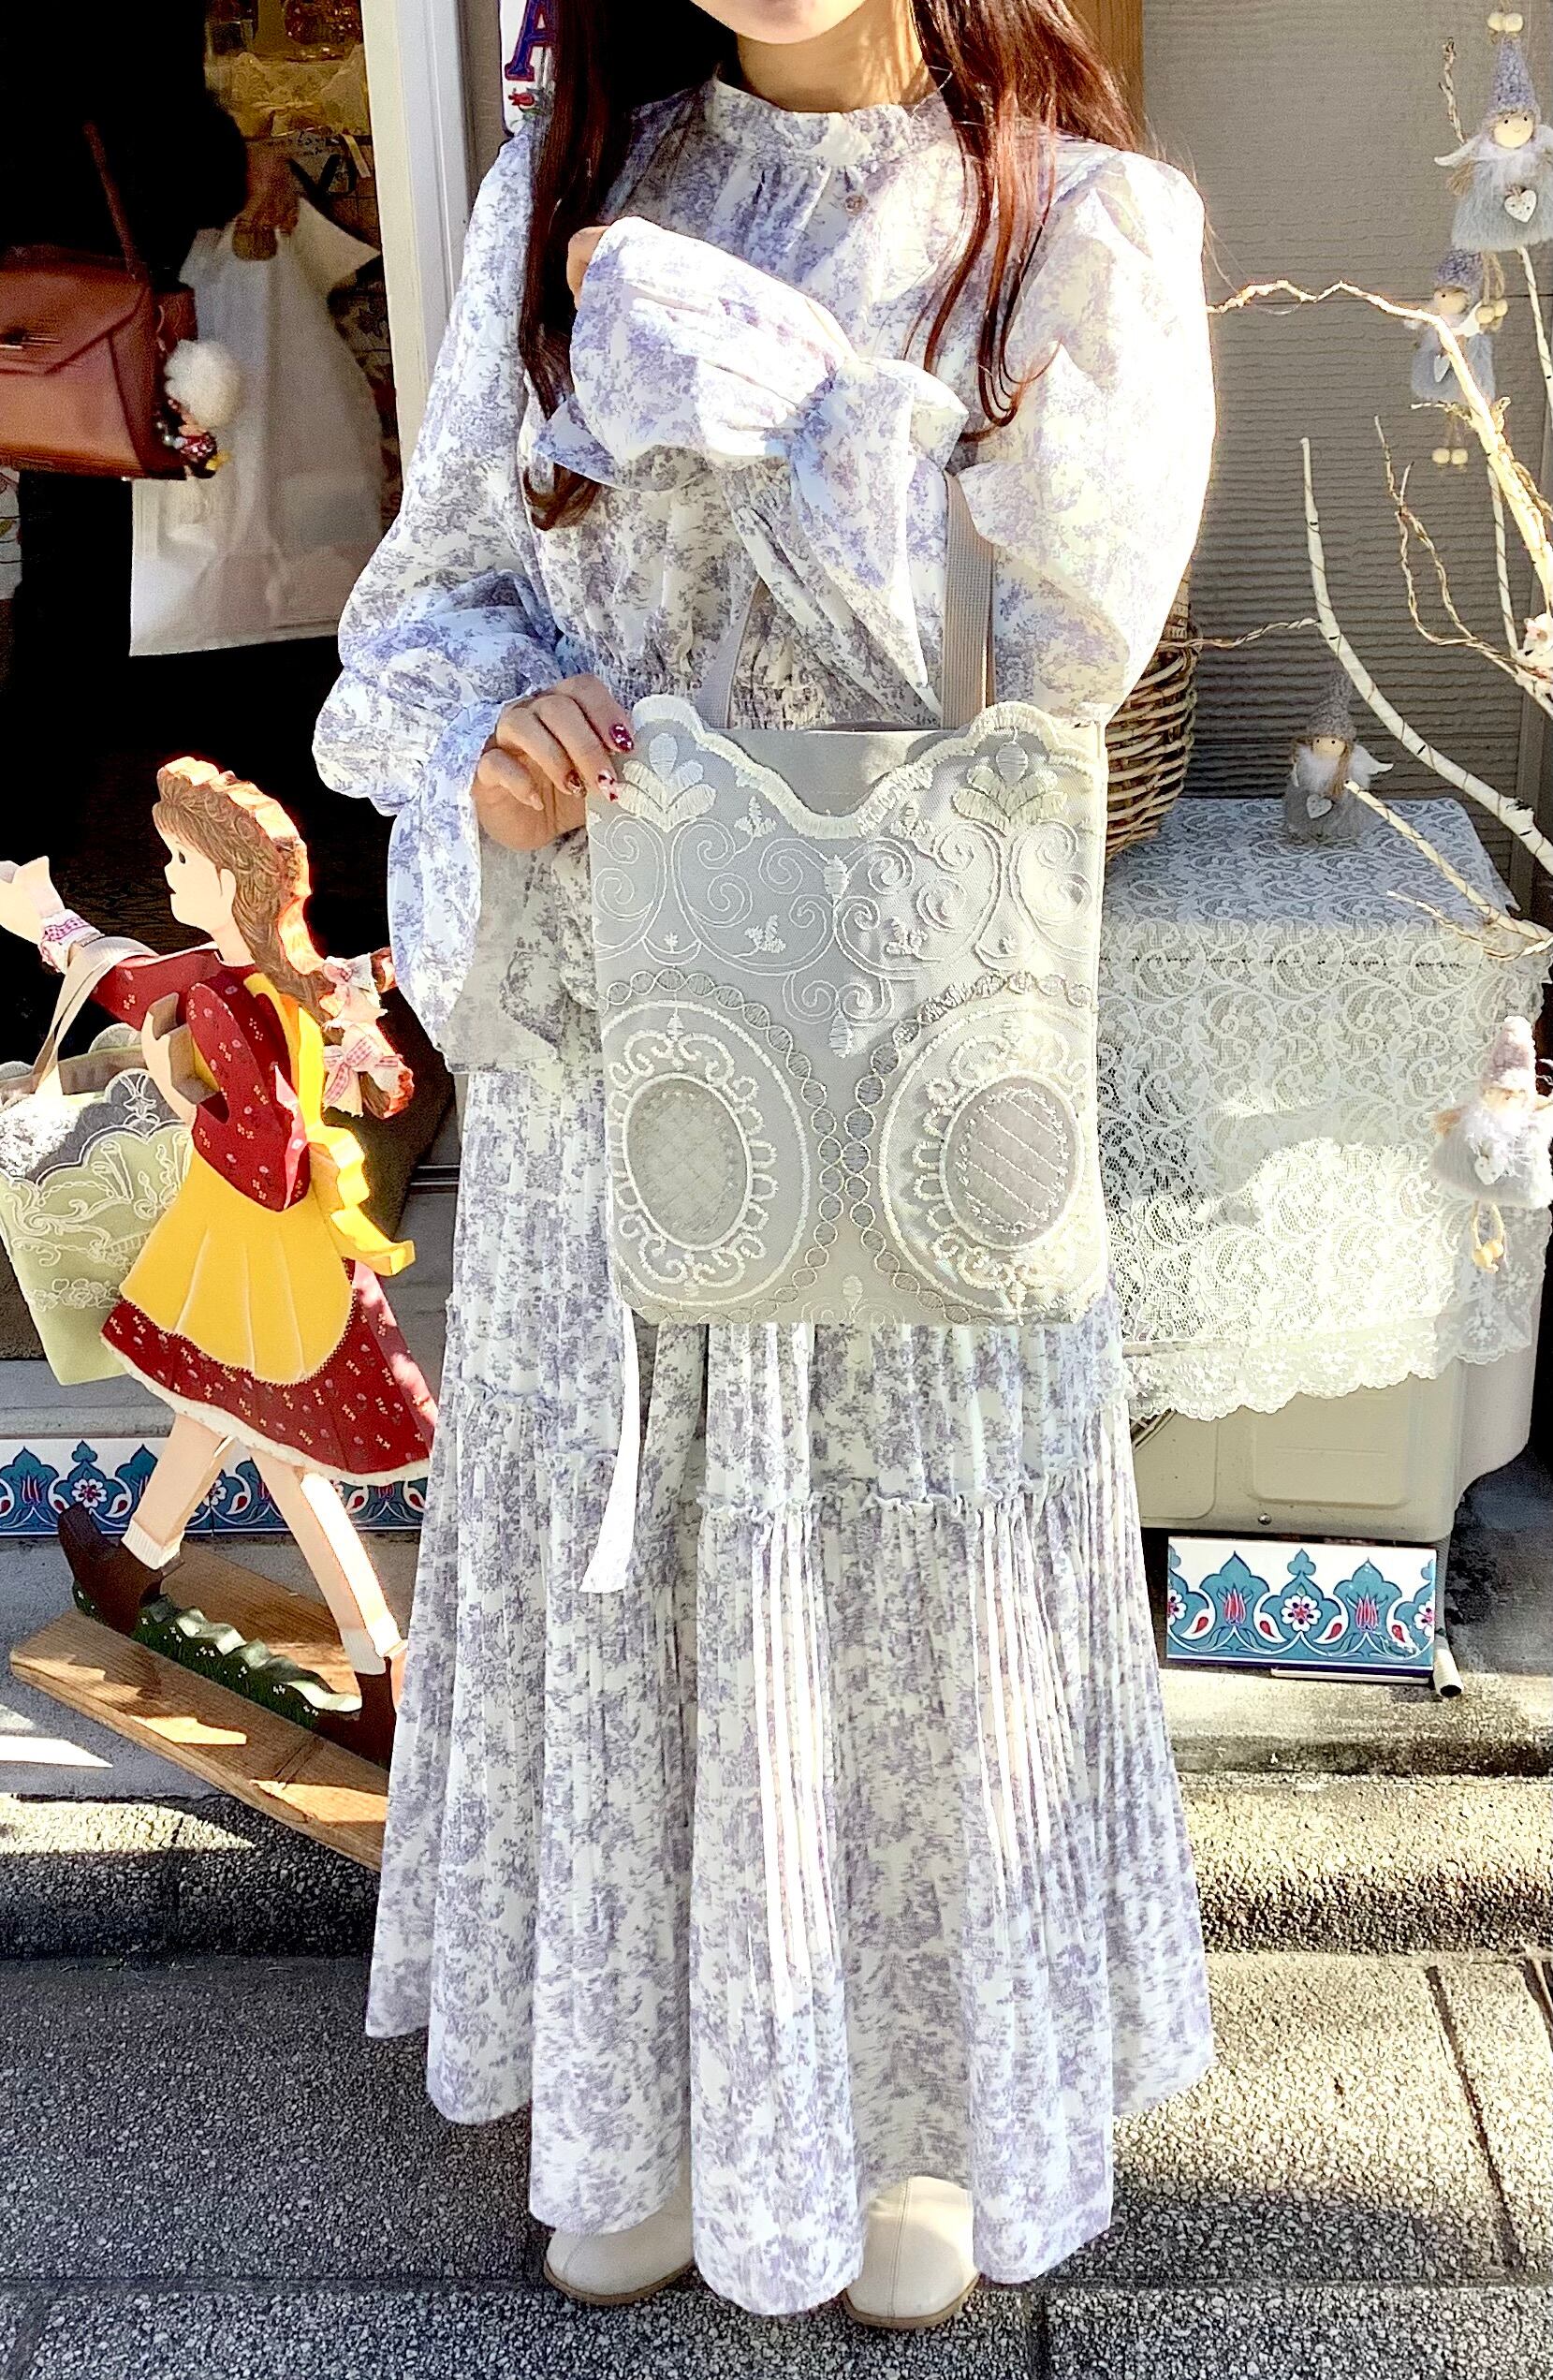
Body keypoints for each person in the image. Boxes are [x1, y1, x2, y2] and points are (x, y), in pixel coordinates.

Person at [314, 0, 1216, 2329]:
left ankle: (914, 2111)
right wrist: (498, 732)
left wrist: (817, 408)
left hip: (896, 1056)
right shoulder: (560, 192)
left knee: (903, 1582)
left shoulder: (1080, 228)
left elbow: (1052, 673)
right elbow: (419, 615)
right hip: (626, 1056)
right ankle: (644, 2107)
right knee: (632, 1566)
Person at [0, 760, 436, 1767]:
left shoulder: (224, 1003)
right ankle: (131, 1568)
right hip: (249, 1246)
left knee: (281, 1455)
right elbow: (128, 979)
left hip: (261, 1253)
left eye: (179, 861)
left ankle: (381, 1671)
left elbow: (268, 1164)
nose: (166, 876)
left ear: (229, 880)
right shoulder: (281, 972)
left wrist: (176, 1090)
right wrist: (47, 919)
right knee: (211, 1402)